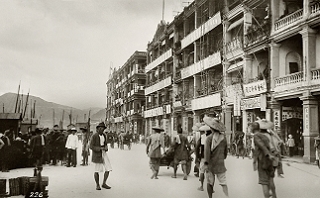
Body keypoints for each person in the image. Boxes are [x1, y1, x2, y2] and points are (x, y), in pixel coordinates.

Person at [203, 115, 229, 198]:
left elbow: (207, 153)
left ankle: (210, 197)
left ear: (211, 128)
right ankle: (227, 196)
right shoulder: (223, 138)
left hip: (210, 164)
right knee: (223, 183)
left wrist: (206, 164)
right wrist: (222, 157)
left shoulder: (208, 139)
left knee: (210, 182)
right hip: (220, 164)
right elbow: (225, 152)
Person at [254, 119, 278, 198]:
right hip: (274, 159)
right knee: (271, 178)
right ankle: (274, 195)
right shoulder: (271, 135)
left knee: (264, 182)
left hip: (263, 160)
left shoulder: (258, 136)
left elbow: (258, 148)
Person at [89, 122, 112, 190]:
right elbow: (91, 146)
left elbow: (105, 144)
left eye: (103, 128)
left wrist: (105, 147)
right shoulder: (94, 136)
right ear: (98, 129)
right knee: (97, 170)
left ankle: (104, 183)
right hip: (97, 154)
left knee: (108, 168)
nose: (102, 130)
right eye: (100, 128)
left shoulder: (104, 135)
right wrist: (99, 148)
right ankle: (97, 185)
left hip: (104, 153)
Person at [195, 125, 212, 191]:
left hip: (203, 157)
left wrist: (197, 156)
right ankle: (211, 188)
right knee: (211, 173)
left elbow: (197, 147)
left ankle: (202, 186)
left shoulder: (202, 137)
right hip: (211, 157)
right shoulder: (213, 138)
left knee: (202, 171)